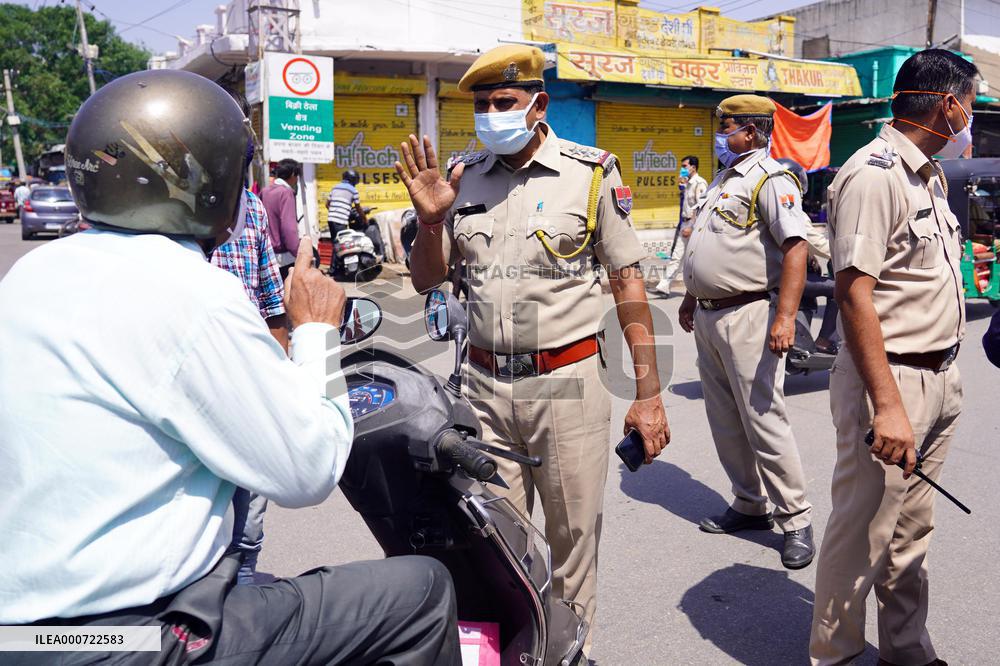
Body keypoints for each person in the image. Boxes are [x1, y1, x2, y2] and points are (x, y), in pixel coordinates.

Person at [0, 69, 460, 665]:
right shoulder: (192, 291)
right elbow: (307, 469)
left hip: (24, 633)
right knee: (420, 591)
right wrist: (317, 329)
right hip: (119, 640)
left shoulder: (35, 273)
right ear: (204, 180)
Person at [397, 44, 670, 655]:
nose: (491, 114)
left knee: (572, 538)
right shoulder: (465, 180)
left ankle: (573, 651)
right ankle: (522, 648)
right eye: (482, 105)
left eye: (504, 102)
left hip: (568, 385)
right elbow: (425, 279)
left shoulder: (591, 172)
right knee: (496, 539)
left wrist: (648, 395)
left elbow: (628, 283)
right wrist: (434, 222)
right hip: (484, 389)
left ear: (537, 104)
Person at [810, 49, 976, 666]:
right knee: (864, 535)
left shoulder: (924, 173)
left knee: (909, 533)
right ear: (948, 103)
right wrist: (887, 405)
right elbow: (855, 294)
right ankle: (836, 655)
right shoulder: (875, 173)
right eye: (970, 105)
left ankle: (905, 650)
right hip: (893, 381)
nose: (971, 121)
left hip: (937, 374)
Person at [678, 94, 815, 570]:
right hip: (711, 315)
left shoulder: (771, 179)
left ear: (752, 132)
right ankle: (749, 503)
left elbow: (796, 247)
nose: (721, 134)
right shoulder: (723, 179)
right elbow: (711, 242)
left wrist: (784, 317)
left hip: (750, 314)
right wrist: (692, 294)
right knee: (725, 417)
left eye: (727, 126)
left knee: (763, 417)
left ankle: (795, 518)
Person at [211, 186, 288, 585]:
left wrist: (282, 381)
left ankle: (242, 577)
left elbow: (273, 300)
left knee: (252, 497)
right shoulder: (171, 208)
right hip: (203, 373)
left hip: (251, 371)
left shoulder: (253, 206)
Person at [655, 155, 707, 296]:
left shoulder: (699, 184)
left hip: (693, 225)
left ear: (693, 167)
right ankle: (664, 285)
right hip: (684, 223)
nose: (682, 169)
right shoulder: (687, 183)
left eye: (685, 166)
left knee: (695, 259)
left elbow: (701, 208)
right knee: (677, 256)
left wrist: (692, 226)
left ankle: (702, 287)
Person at [261, 158, 302, 278]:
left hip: (266, 254)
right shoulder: (286, 193)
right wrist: (298, 252)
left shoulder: (265, 191)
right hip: (284, 257)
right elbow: (288, 227)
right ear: (293, 174)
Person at [326, 169, 365, 238]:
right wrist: (365, 220)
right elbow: (358, 208)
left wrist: (335, 211)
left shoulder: (335, 187)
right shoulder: (353, 190)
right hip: (340, 221)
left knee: (335, 240)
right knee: (342, 241)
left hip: (330, 219)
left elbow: (327, 204)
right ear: (353, 180)